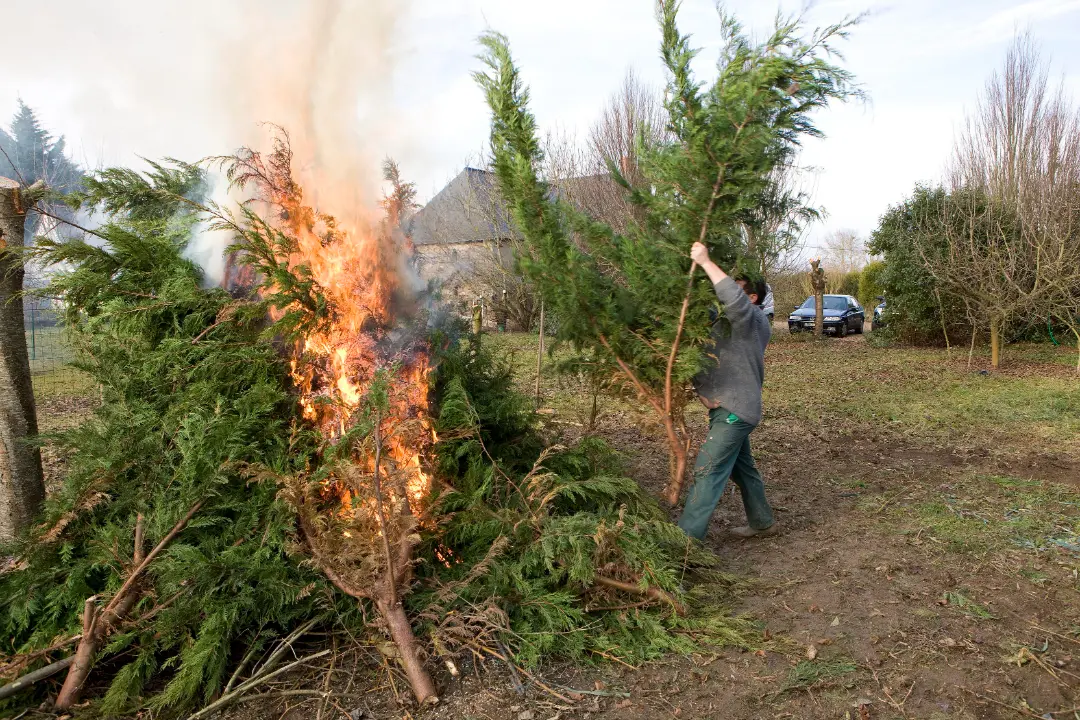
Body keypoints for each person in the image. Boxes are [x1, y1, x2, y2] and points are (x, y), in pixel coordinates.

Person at [678, 241, 777, 541]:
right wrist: (700, 388)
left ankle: (686, 542)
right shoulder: (731, 324)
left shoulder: (752, 320)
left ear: (752, 297)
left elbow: (732, 298)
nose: (728, 292)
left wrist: (706, 261)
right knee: (741, 467)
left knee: (708, 469)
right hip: (731, 407)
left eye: (738, 287)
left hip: (736, 409)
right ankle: (763, 522)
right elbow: (702, 345)